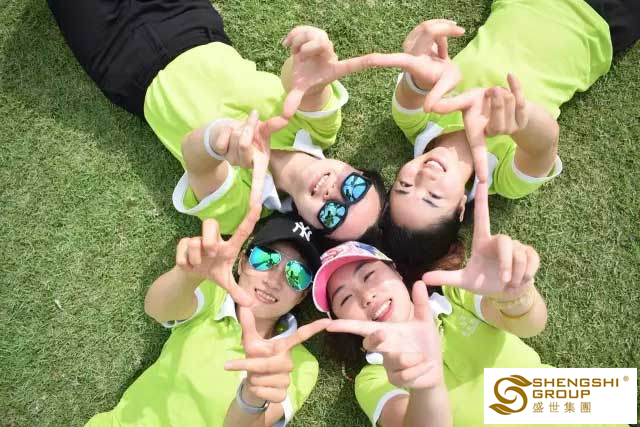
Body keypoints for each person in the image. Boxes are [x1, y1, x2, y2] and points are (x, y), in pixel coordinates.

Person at [46, 1, 391, 242]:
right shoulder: (321, 128)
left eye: (332, 215)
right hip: (190, 21)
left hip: (122, 63)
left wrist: (217, 142)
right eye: (353, 189)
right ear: (355, 169)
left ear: (309, 224)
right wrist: (310, 59)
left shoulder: (241, 210)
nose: (333, 195)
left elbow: (194, 157)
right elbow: (300, 81)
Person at [311, 181, 625, 427]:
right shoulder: (373, 379)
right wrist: (426, 386)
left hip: (573, 403)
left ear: (395, 272)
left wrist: (515, 294)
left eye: (368, 275)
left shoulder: (453, 297)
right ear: (341, 322)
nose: (366, 296)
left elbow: (532, 325)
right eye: (345, 299)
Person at [381, 0, 640, 280]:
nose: (424, 177)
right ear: (460, 208)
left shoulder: (416, 120)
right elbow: (546, 142)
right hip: (599, 24)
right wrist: (520, 120)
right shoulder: (505, 179)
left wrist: (420, 70)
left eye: (405, 185)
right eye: (433, 197)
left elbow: (415, 84)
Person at [85, 202, 330, 426]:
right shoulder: (213, 296)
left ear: (302, 295)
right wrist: (187, 275)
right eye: (265, 258)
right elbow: (156, 310)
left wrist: (251, 397)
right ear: (242, 263)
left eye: (296, 275)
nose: (274, 280)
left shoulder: (300, 364)